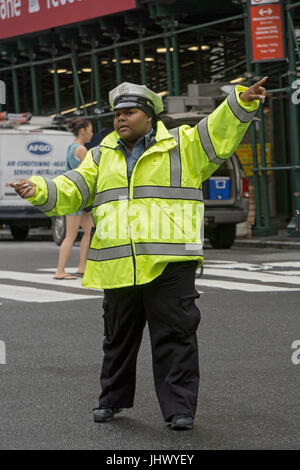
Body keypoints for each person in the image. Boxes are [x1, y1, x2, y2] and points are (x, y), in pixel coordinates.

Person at [10, 78, 267, 430]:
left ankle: (179, 410)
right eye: (117, 114)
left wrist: (243, 101)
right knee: (117, 339)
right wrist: (37, 188)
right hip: (119, 265)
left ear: (149, 117)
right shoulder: (101, 156)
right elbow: (71, 188)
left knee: (175, 337)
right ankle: (111, 400)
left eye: (129, 112)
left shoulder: (184, 145)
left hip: (170, 263)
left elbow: (219, 128)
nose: (120, 119)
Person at [54, 118, 94, 280]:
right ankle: (60, 271)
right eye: (91, 130)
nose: (92, 133)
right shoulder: (81, 150)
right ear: (82, 131)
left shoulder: (72, 147)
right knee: (70, 235)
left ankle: (82, 266)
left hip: (76, 197)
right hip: (76, 197)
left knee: (89, 231)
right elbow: (88, 174)